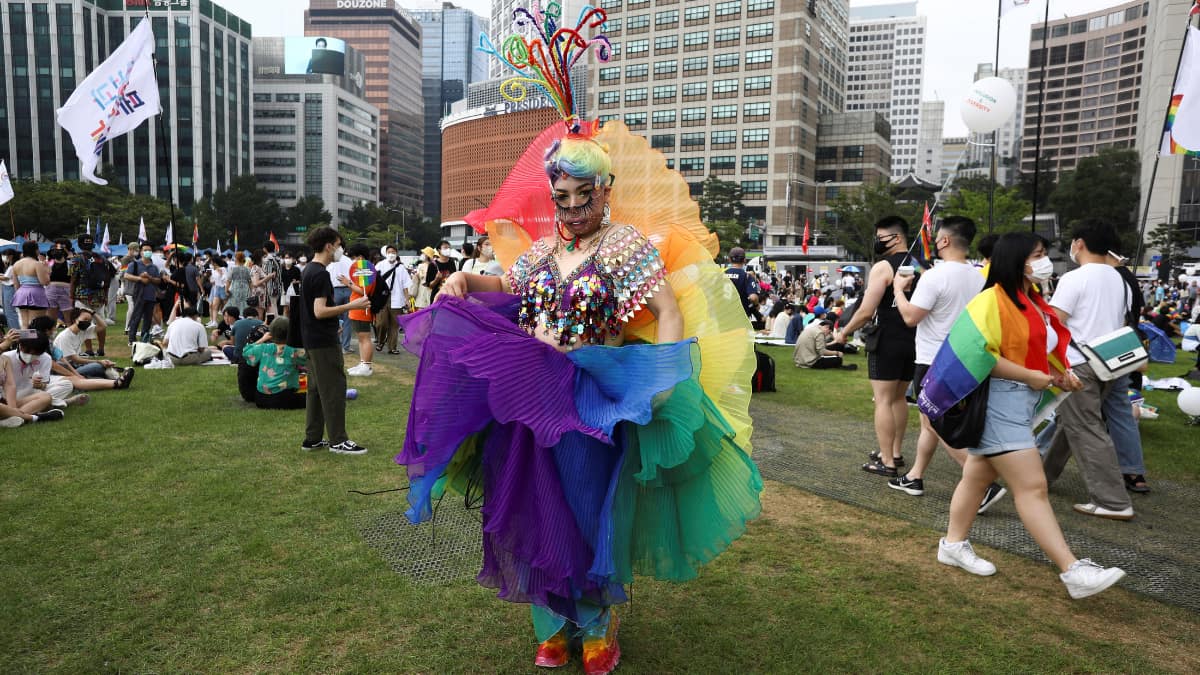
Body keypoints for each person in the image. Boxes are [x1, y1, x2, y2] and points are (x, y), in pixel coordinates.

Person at [394, 35, 761, 668]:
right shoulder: (540, 253)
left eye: (582, 197)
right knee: (533, 509)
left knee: (589, 507)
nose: (570, 209)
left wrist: (663, 379)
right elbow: (507, 286)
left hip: (593, 397)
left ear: (605, 188)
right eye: (560, 197)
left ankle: (595, 625)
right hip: (527, 396)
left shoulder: (626, 248)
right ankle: (551, 623)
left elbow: (668, 311)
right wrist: (463, 281)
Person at [919, 232, 1125, 599]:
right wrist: (1033, 376)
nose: (1044, 261)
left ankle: (952, 544)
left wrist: (1058, 375)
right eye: (1038, 255)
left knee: (977, 476)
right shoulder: (991, 302)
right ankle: (1072, 570)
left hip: (1017, 402)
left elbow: (1033, 351)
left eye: (1044, 254)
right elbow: (979, 355)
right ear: (1017, 260)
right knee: (1032, 488)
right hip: (1001, 403)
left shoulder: (1030, 301)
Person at [889, 216, 1002, 508]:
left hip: (933, 362)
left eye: (937, 236)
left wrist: (899, 291)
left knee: (938, 425)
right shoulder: (980, 275)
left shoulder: (934, 276)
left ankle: (982, 483)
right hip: (965, 359)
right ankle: (914, 476)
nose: (934, 241)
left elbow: (911, 317)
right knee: (929, 423)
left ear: (945, 240)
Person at [1042, 220, 1137, 520]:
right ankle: (1041, 479)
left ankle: (1112, 501)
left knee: (1086, 429)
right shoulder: (1121, 279)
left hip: (1078, 363)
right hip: (1109, 362)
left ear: (1079, 243)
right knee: (1073, 426)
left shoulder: (1075, 278)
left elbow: (1055, 324)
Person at [835, 216, 918, 477]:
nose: (877, 242)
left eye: (881, 237)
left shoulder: (883, 266)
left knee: (883, 400)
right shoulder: (921, 265)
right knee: (899, 398)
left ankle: (887, 462)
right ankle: (893, 452)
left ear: (897, 238)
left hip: (887, 340)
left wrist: (843, 333)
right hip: (914, 340)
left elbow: (865, 311)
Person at [299, 226, 370, 455]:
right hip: (322, 342)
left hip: (313, 338)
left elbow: (313, 311)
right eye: (339, 245)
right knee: (333, 389)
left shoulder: (308, 269)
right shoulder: (319, 273)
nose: (340, 250)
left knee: (316, 390)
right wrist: (353, 305)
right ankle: (338, 440)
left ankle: (313, 438)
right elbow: (320, 311)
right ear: (329, 245)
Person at [52, 309, 135, 389]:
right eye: (85, 319)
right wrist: (98, 361)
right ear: (75, 319)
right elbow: (75, 359)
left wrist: (93, 313)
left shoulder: (82, 331)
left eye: (89, 320)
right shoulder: (65, 336)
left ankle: (113, 378)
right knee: (97, 367)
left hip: (75, 365)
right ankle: (116, 379)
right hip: (66, 369)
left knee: (99, 367)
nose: (87, 322)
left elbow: (103, 326)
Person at [242, 316, 307, 409]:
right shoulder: (293, 351)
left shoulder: (263, 348)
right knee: (310, 397)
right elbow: (311, 358)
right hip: (283, 398)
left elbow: (246, 351)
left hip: (261, 398)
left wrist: (262, 339)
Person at [1, 333, 64, 424]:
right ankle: (30, 417)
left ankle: (12, 418)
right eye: (27, 351)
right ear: (20, 345)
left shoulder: (4, 359)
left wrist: (39, 385)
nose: (30, 356)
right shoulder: (7, 357)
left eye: (35, 353)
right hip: (5, 399)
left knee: (46, 396)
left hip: (16, 397)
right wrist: (3, 346)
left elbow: (10, 386)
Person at [68, 233, 113, 356]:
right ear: (92, 244)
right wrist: (106, 295)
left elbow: (73, 279)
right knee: (101, 322)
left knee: (83, 322)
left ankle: (89, 349)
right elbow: (108, 279)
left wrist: (71, 296)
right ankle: (101, 348)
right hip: (99, 296)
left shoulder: (76, 259)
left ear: (79, 244)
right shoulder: (102, 259)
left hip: (83, 296)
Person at [342, 244, 377, 377]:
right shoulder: (363, 269)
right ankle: (363, 363)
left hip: (362, 308)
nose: (352, 260)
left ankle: (367, 366)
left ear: (360, 257)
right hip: (357, 308)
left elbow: (364, 292)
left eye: (354, 257)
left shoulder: (366, 269)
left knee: (365, 338)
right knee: (362, 338)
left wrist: (348, 283)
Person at [373, 245, 411, 355]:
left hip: (397, 298)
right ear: (385, 253)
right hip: (382, 298)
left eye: (393, 252)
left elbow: (405, 285)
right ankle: (380, 341)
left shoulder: (401, 268)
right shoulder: (380, 265)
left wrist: (407, 299)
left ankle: (392, 347)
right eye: (389, 252)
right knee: (381, 323)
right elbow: (374, 281)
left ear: (397, 253)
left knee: (394, 325)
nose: (391, 254)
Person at [125, 243, 164, 344]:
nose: (148, 252)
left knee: (147, 318)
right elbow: (127, 276)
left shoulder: (154, 267)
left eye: (150, 250)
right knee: (136, 317)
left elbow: (158, 280)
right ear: (141, 252)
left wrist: (150, 278)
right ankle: (132, 339)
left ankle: (144, 338)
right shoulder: (134, 264)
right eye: (145, 250)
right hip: (139, 294)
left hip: (151, 295)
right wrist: (140, 278)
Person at [11, 241, 51, 329]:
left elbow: (16, 285)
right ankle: (34, 342)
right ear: (36, 250)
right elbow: (45, 282)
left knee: (24, 324)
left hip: (21, 294)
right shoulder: (37, 264)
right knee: (36, 323)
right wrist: (47, 270)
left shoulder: (16, 264)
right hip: (36, 294)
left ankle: (25, 342)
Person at [325, 244, 354, 353]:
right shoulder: (349, 261)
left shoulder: (330, 260)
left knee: (334, 318)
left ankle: (334, 344)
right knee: (347, 320)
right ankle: (345, 346)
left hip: (335, 291)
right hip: (348, 289)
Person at [725, 247, 755, 316]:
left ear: (729, 259)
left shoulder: (721, 275)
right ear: (744, 260)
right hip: (741, 316)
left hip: (724, 316)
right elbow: (753, 297)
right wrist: (756, 305)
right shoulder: (746, 276)